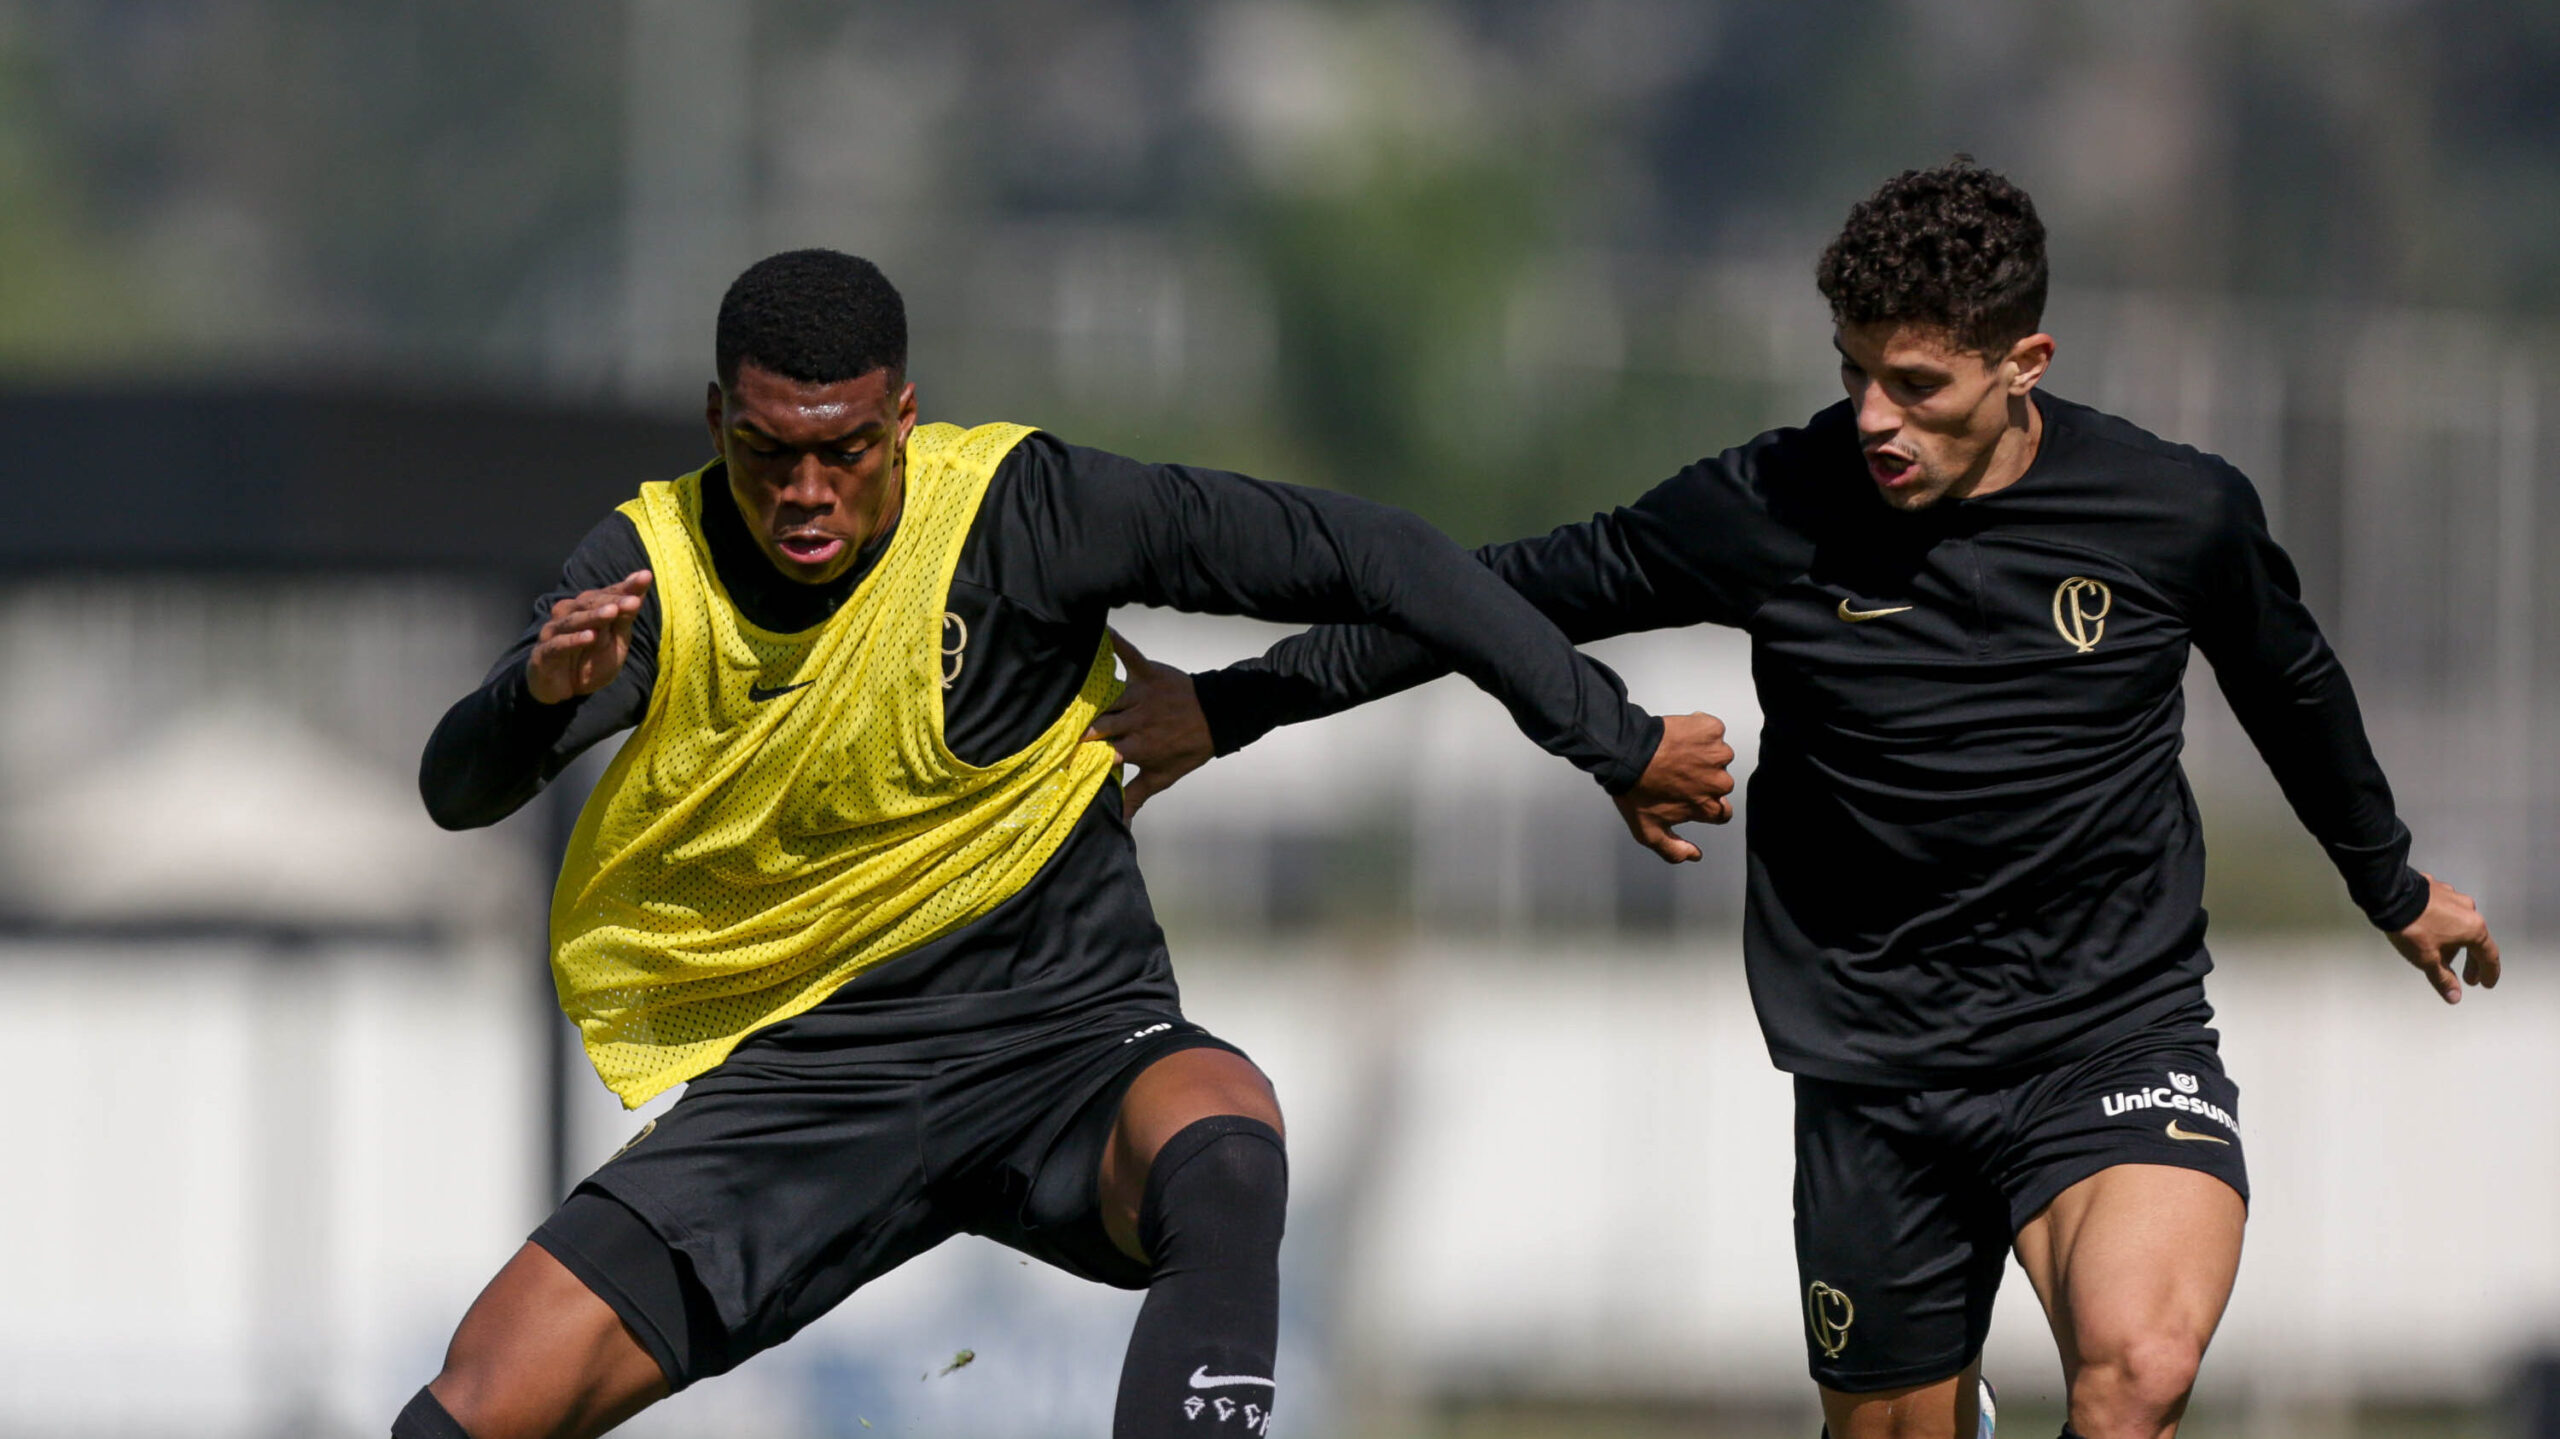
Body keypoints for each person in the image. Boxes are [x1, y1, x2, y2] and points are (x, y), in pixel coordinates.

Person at [1094, 162, 2502, 1439]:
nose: (1876, 420)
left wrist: (2392, 885)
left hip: (2106, 1027)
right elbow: (1495, 598)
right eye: (1855, 377)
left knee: (2139, 1368)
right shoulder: (1771, 504)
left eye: (1919, 386)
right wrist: (1236, 703)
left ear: (2027, 364)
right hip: (1875, 1063)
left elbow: (2295, 690)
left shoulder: (2173, 511)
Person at [400, 249, 1734, 1439]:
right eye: (768, 453)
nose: (806, 491)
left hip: (1065, 1035)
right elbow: (459, 790)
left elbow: (1377, 555)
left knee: (1225, 1133)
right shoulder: (647, 570)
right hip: (813, 1083)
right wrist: (537, 697)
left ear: (904, 420)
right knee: (475, 1406)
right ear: (717, 425)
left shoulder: (1024, 515)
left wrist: (1607, 739)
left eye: (848, 450)